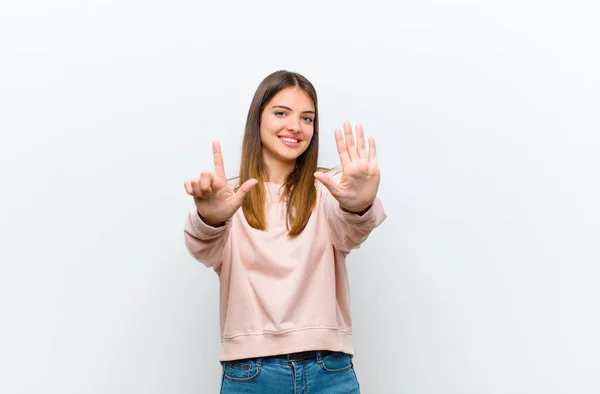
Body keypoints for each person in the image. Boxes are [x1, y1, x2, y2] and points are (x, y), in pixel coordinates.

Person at [183, 70, 386, 393]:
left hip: (329, 369)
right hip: (251, 372)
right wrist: (210, 219)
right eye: (281, 113)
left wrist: (359, 205)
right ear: (257, 120)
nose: (295, 126)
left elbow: (353, 231)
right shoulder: (229, 197)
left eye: (307, 118)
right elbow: (204, 249)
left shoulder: (327, 189)